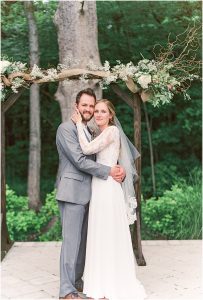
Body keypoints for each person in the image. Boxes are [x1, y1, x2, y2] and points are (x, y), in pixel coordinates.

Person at [71, 99, 146, 300]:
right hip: (99, 185)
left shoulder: (112, 131)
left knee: (108, 232)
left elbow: (86, 150)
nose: (98, 114)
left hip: (107, 187)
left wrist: (78, 123)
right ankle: (100, 282)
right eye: (96, 111)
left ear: (111, 115)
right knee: (100, 232)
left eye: (103, 111)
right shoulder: (99, 132)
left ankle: (111, 283)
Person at [56, 89, 126, 300]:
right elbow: (79, 160)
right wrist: (108, 171)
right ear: (76, 106)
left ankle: (78, 281)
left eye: (91, 106)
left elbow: (102, 156)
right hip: (73, 192)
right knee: (71, 242)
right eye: (84, 105)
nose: (88, 109)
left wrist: (118, 169)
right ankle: (66, 291)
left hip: (93, 193)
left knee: (85, 242)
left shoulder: (91, 130)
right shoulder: (66, 129)